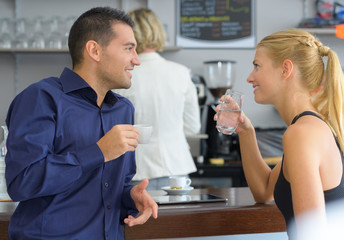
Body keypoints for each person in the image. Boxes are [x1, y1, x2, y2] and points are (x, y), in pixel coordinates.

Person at [5, 7, 158, 239]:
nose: (136, 60)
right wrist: (98, 152)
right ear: (94, 50)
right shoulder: (40, 98)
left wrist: (129, 196)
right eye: (129, 48)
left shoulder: (123, 109)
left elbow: (114, 183)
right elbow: (21, 182)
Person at [215, 29, 344, 239]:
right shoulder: (311, 127)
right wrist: (246, 132)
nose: (249, 77)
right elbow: (264, 191)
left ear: (285, 69)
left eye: (257, 66)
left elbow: (312, 235)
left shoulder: (301, 134)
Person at [114, 8, 201, 190]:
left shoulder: (120, 75)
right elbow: (193, 127)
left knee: (138, 219)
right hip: (176, 169)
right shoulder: (181, 73)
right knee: (176, 219)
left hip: (135, 171)